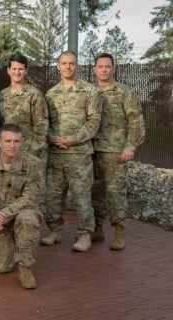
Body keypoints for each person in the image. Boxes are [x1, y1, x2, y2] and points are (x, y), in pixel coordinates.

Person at [42, 50, 101, 252]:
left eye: (72, 63)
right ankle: (55, 231)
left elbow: (94, 121)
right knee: (53, 195)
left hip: (79, 154)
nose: (68, 67)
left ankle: (85, 234)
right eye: (64, 63)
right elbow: (45, 123)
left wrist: (73, 139)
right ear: (58, 66)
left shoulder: (89, 91)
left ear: (77, 66)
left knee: (81, 196)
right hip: (56, 153)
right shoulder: (51, 94)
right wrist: (51, 138)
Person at [0, 124, 44, 289]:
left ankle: (25, 267)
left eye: (16, 141)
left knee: (27, 219)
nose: (12, 145)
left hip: (22, 213)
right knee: (0, 267)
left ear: (22, 142)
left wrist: (4, 213)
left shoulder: (33, 164)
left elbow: (31, 197)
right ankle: (12, 246)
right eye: (8, 141)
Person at [91, 53, 145, 250]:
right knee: (94, 192)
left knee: (115, 193)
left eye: (108, 66)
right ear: (94, 69)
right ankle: (97, 228)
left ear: (113, 69)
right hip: (92, 151)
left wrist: (131, 145)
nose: (104, 70)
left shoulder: (124, 92)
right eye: (100, 66)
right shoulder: (89, 91)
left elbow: (136, 121)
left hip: (115, 152)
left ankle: (119, 232)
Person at [0, 53, 49, 162]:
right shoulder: (2, 95)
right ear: (8, 71)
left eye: (20, 69)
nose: (17, 72)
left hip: (27, 152)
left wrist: (33, 153)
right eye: (14, 69)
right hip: (6, 152)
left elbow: (41, 126)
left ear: (26, 71)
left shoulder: (34, 94)